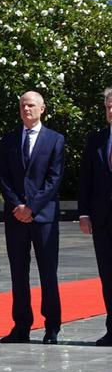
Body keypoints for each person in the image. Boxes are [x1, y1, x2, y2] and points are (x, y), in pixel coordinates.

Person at [0, 91, 66, 344]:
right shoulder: (9, 140)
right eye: (22, 106)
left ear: (42, 109)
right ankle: (21, 326)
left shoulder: (55, 140)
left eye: (31, 105)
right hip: (15, 216)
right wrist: (17, 205)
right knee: (18, 272)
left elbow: (54, 178)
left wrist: (32, 207)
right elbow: (3, 177)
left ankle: (52, 326)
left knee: (48, 272)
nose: (26, 109)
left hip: (43, 216)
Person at [78, 87, 112, 347]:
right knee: (107, 275)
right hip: (102, 219)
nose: (110, 111)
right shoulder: (96, 139)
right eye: (108, 107)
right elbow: (86, 178)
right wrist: (84, 213)